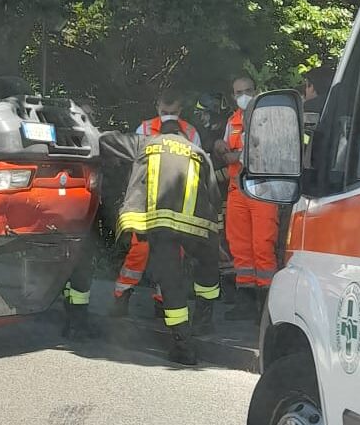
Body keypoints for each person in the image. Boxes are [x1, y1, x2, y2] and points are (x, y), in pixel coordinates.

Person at [98, 122, 222, 364]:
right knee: (206, 271)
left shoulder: (147, 143)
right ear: (184, 135)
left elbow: (108, 141)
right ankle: (204, 322)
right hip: (196, 225)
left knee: (171, 281)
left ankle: (183, 344)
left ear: (161, 133)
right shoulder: (198, 152)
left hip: (160, 224)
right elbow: (214, 195)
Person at [109, 92, 201, 317]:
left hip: (175, 203)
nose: (169, 116)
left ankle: (163, 300)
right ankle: (122, 296)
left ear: (181, 110)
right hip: (147, 201)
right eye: (165, 112)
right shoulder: (145, 129)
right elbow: (135, 164)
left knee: (171, 255)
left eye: (174, 113)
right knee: (139, 252)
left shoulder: (190, 132)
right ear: (157, 106)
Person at [214, 73, 280, 321]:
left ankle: (266, 304)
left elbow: (270, 148)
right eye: (238, 92)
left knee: (262, 244)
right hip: (238, 188)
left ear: (257, 89)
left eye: (247, 90)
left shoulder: (270, 117)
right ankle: (246, 298)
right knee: (239, 245)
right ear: (233, 96)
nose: (242, 96)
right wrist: (221, 147)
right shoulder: (233, 120)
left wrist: (236, 156)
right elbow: (227, 152)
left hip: (263, 187)